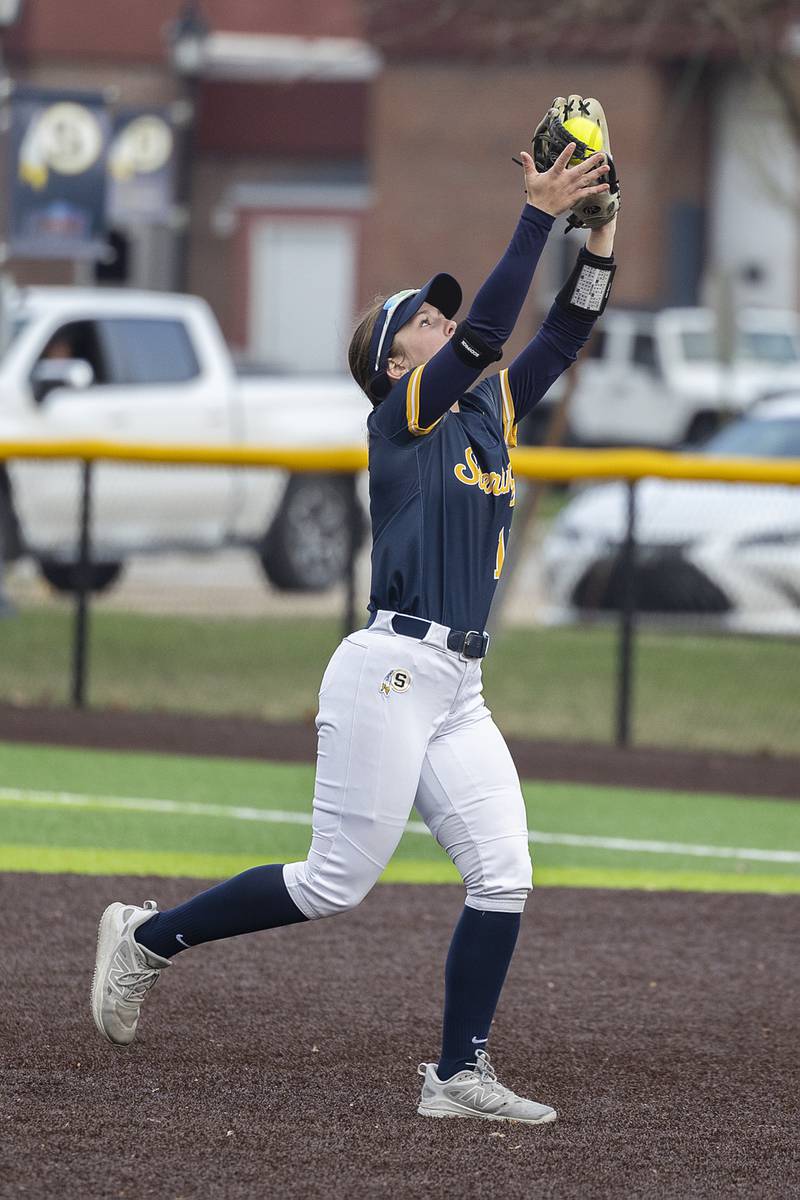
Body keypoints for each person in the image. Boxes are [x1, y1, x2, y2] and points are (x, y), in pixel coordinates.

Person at [91, 140, 617, 1126]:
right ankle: (148, 940)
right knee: (334, 882)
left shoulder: (487, 407)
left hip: (457, 685)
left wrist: (597, 231)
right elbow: (497, 324)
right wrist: (534, 215)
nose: (444, 319)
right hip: (386, 670)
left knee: (504, 872)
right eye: (422, 317)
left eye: (439, 311)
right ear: (393, 360)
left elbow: (570, 323)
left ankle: (456, 1075)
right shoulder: (403, 416)